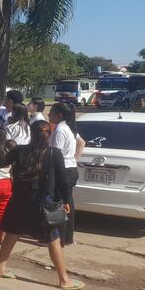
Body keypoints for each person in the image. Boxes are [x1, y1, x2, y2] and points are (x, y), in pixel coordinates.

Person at [0, 121, 85, 290]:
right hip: (44, 203)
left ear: (31, 134)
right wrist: (65, 200)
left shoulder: (19, 150)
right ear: (49, 135)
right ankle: (64, 279)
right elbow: (63, 181)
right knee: (53, 238)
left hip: (18, 201)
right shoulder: (53, 153)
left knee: (13, 232)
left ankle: (0, 267)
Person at [49, 103, 84, 245]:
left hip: (62, 170)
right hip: (70, 169)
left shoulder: (60, 130)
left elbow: (55, 154)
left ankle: (58, 238)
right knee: (67, 201)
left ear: (59, 115)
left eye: (51, 112)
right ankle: (66, 237)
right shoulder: (67, 128)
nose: (49, 115)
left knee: (57, 203)